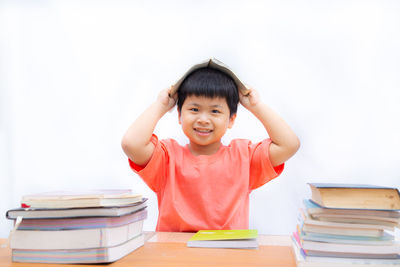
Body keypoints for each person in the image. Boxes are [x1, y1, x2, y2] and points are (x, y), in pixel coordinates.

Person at [121, 59, 300, 232]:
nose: (203, 119)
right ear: (179, 115)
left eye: (215, 111)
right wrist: (160, 105)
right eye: (194, 109)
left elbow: (289, 145)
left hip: (227, 255)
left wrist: (256, 106)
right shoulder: (167, 158)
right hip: (174, 256)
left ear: (231, 119)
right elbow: (131, 144)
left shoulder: (244, 157)